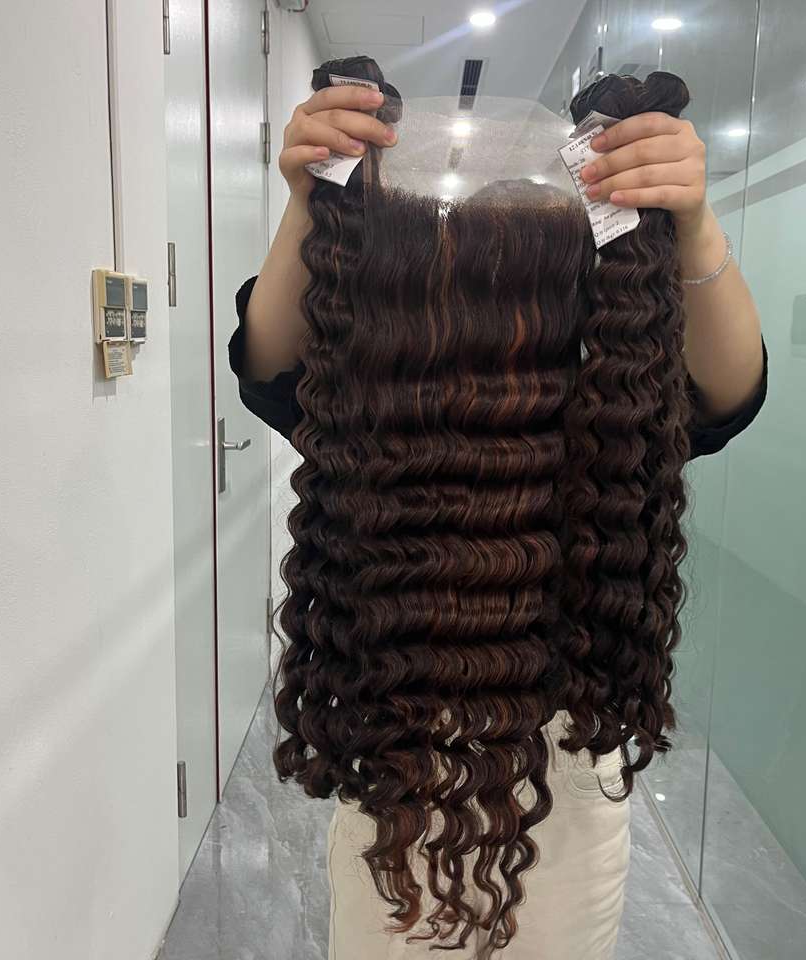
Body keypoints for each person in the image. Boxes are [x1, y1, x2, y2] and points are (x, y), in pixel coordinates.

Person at [227, 81, 767, 960]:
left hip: (562, 775)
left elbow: (729, 392)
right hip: (398, 758)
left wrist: (694, 225)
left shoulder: (607, 404)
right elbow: (267, 361)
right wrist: (309, 200)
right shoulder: (380, 406)